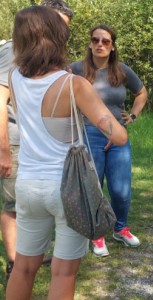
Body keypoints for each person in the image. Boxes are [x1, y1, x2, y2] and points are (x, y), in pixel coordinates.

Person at [6, 6, 127, 299]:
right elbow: (119, 136)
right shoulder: (73, 84)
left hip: (28, 186)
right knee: (63, 271)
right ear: (58, 37)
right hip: (67, 188)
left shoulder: (14, 78)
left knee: (23, 267)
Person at [0, 0, 73, 283]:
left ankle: (27, 255)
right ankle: (15, 262)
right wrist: (4, 151)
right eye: (58, 26)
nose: (61, 34)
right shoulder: (13, 51)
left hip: (36, 144)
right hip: (16, 142)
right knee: (12, 205)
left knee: (28, 205)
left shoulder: (42, 54)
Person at [70, 24, 147, 257]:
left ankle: (120, 228)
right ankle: (97, 233)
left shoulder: (122, 70)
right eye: (95, 40)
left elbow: (141, 93)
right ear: (90, 43)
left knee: (120, 189)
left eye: (105, 41)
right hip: (89, 134)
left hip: (118, 136)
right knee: (94, 187)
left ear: (113, 46)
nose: (100, 45)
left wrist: (132, 116)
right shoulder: (75, 69)